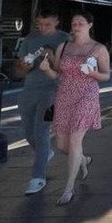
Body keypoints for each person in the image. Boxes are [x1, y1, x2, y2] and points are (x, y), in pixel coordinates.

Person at [38, 10, 109, 206]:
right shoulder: (63, 47)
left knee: (75, 140)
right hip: (64, 95)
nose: (76, 26)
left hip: (86, 94)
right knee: (62, 145)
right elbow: (58, 74)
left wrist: (93, 74)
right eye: (74, 23)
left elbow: (106, 75)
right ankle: (83, 160)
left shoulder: (98, 48)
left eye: (80, 23)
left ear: (90, 25)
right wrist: (47, 70)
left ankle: (68, 188)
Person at [13, 10, 69, 196]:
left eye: (48, 25)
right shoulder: (30, 39)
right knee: (29, 133)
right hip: (29, 89)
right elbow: (19, 71)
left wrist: (52, 58)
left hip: (54, 90)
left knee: (41, 130)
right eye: (40, 24)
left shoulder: (65, 40)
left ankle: (38, 177)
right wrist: (24, 66)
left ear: (57, 22)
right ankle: (44, 153)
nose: (43, 28)